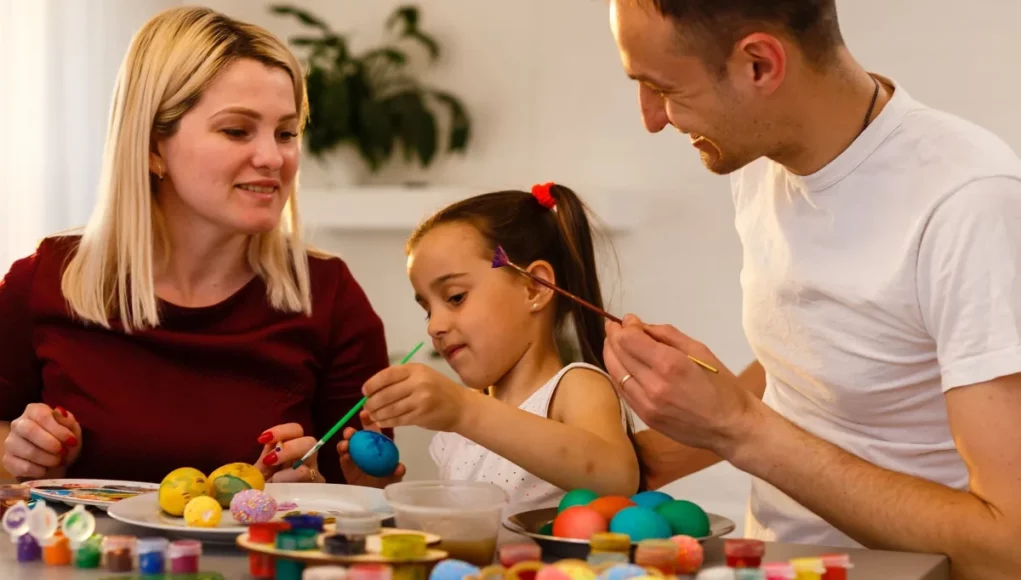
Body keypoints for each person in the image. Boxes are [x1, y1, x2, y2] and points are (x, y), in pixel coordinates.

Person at [604, 1, 1021, 578]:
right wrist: (638, 460)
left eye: (663, 88)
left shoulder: (968, 202)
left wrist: (735, 426)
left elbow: (1007, 548)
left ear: (759, 65)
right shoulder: (757, 157)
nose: (652, 119)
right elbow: (820, 363)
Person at [0, 6, 394, 487]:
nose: (273, 157)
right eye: (236, 130)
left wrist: (316, 495)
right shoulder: (42, 282)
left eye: (286, 133)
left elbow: (370, 489)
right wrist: (28, 458)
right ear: (152, 145)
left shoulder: (330, 296)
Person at [338, 183, 642, 514]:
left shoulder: (575, 387)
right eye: (427, 309)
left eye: (455, 297)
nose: (434, 326)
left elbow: (618, 477)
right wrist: (375, 496)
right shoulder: (462, 432)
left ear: (534, 287)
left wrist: (463, 410)